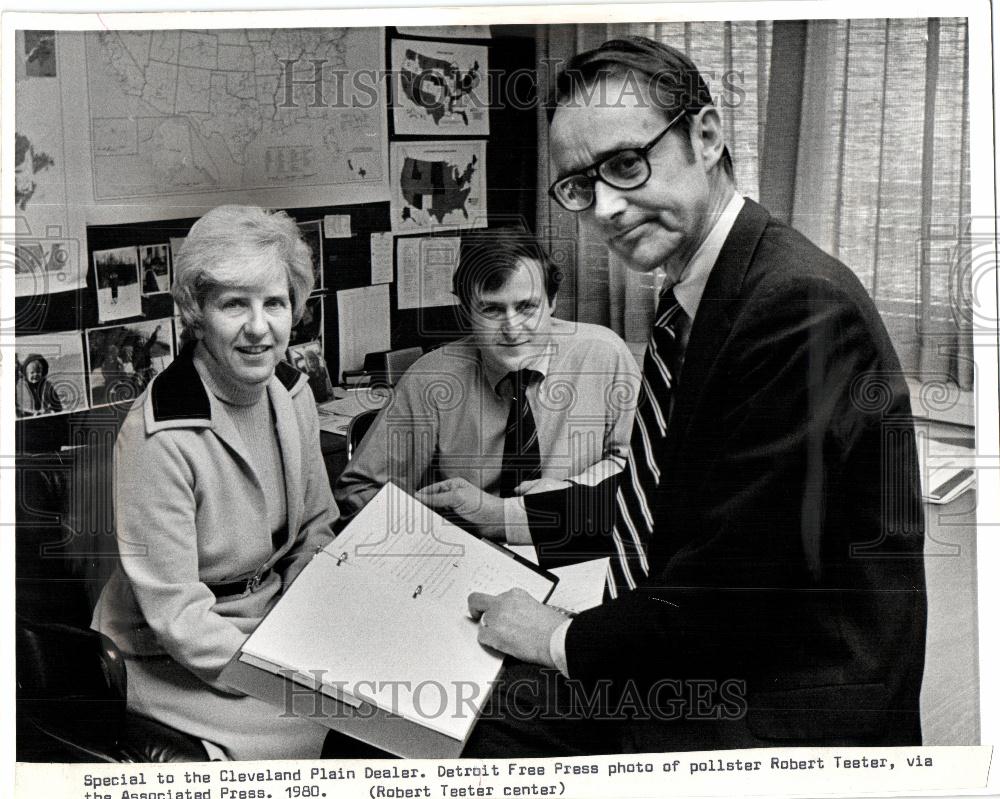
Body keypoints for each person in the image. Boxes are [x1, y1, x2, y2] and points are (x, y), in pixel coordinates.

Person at [424, 38, 927, 753]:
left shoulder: (795, 308)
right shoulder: (705, 292)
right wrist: (506, 518)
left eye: (626, 164)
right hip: (713, 654)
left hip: (779, 709)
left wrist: (558, 635)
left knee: (449, 725)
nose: (607, 208)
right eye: (578, 185)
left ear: (707, 134)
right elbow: (669, 500)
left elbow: (729, 597)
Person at [91, 205, 337, 760]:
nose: (259, 327)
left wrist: (309, 619)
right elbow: (177, 615)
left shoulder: (292, 393)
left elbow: (317, 527)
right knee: (338, 730)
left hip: (275, 621)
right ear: (195, 312)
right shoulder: (160, 437)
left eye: (274, 303)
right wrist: (282, 673)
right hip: (171, 654)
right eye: (234, 304)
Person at [334, 228, 640, 546]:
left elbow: (638, 468)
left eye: (526, 308)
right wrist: (431, 529)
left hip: (577, 541)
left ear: (552, 302)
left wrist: (566, 496)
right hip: (469, 553)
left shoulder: (603, 354)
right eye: (492, 310)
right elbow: (357, 493)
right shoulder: (432, 379)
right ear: (466, 310)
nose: (512, 329)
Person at [15, 353, 62, 417]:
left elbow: (58, 406)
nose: (35, 374)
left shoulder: (48, 386)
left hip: (46, 417)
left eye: (38, 372)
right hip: (28, 418)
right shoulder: (20, 387)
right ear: (26, 374)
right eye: (32, 372)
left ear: (42, 373)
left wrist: (52, 411)